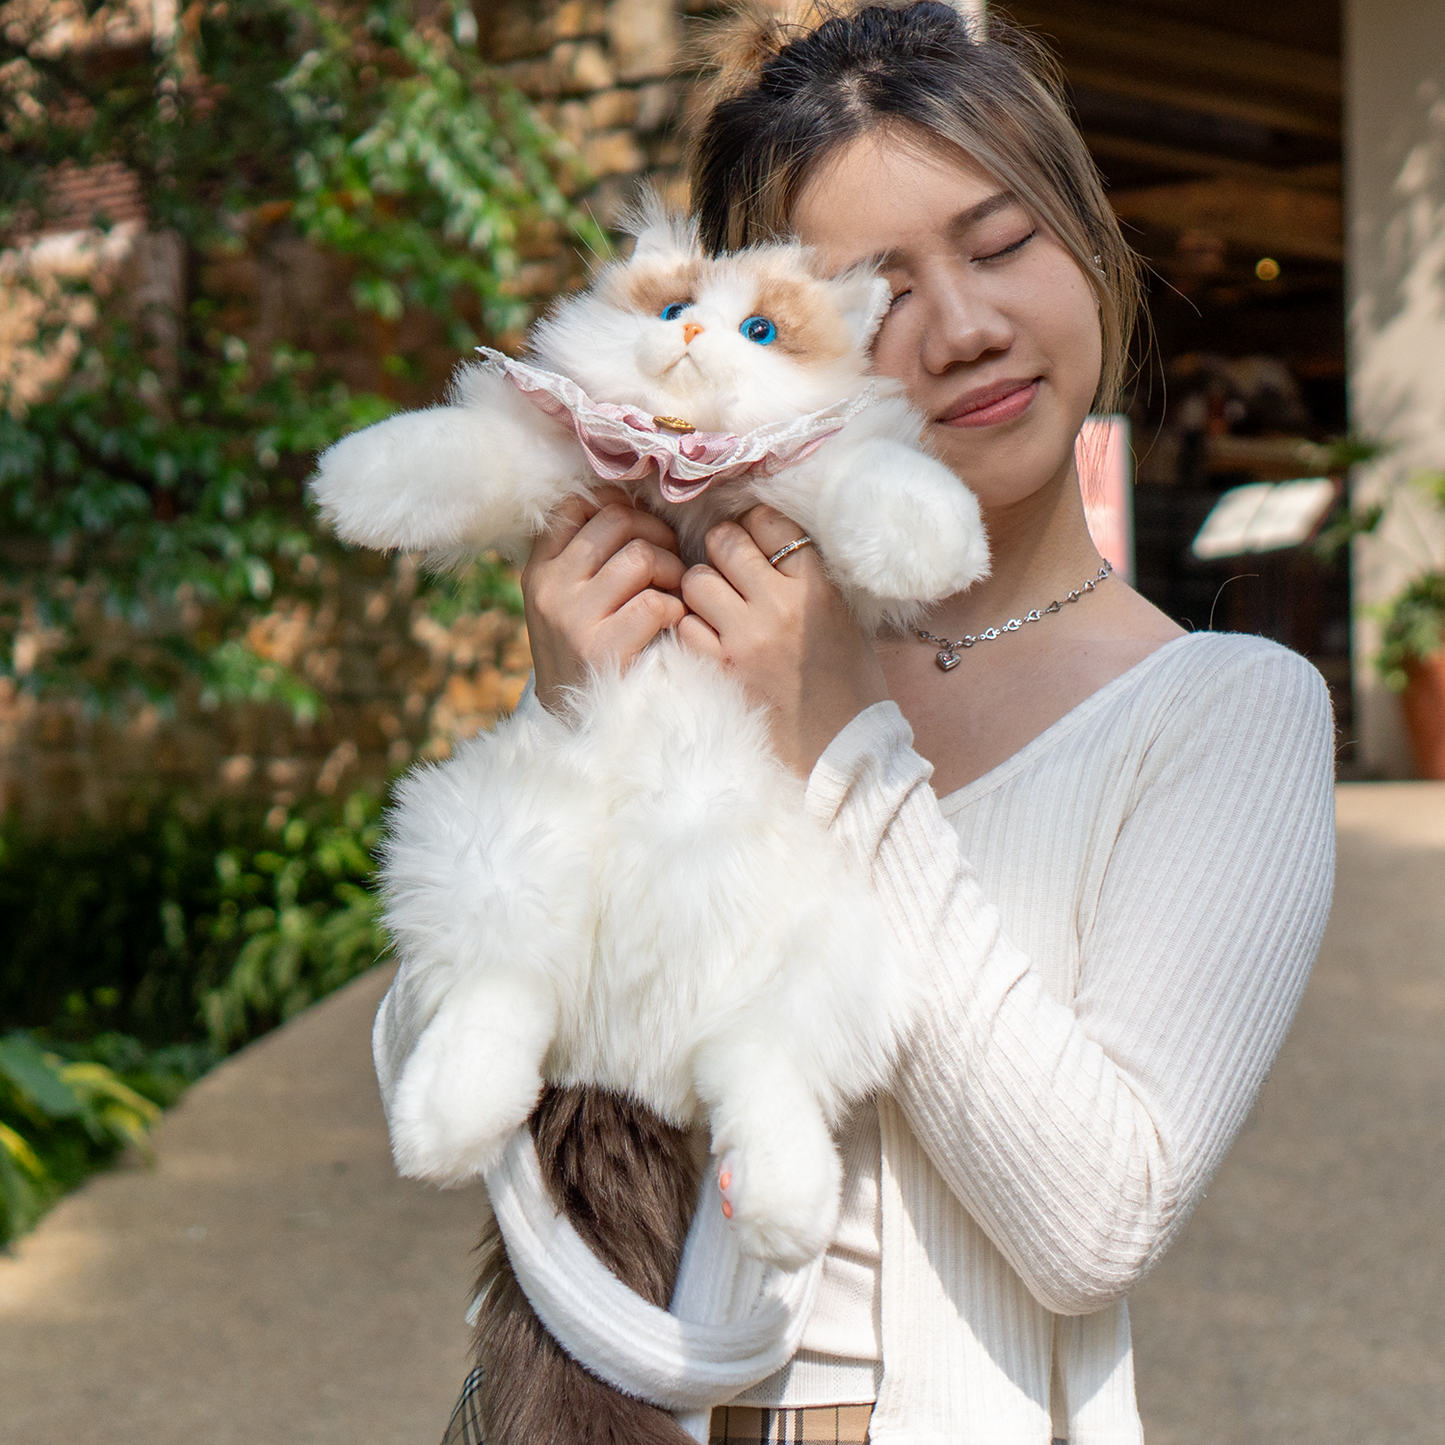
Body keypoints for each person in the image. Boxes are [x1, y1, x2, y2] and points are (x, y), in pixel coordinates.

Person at [431, 4, 1337, 1441]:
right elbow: (464, 1095)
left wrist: (848, 752)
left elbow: (1097, 1220)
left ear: (1089, 242)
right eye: (879, 287)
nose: (968, 327)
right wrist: (567, 729)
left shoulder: (1225, 714)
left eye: (1000, 245)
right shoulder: (719, 623)